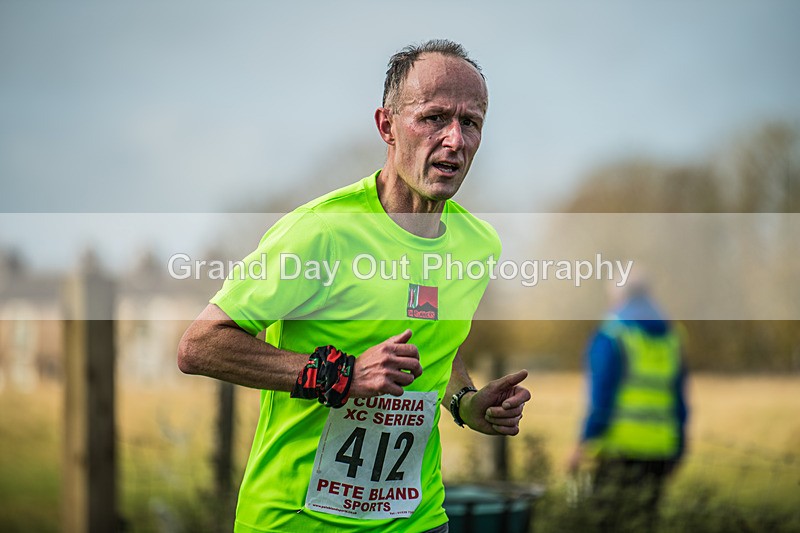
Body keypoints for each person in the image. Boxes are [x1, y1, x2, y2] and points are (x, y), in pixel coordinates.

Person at [178, 39, 530, 533]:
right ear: (386, 125)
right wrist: (339, 374)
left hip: (417, 520)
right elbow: (200, 345)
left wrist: (467, 403)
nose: (455, 139)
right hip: (297, 521)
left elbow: (438, 344)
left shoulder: (478, 244)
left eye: (470, 122)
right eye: (433, 118)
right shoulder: (322, 231)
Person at [568, 278, 688, 532]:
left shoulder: (612, 334)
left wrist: (582, 444)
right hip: (660, 448)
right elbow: (679, 398)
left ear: (618, 295)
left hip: (618, 449)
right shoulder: (672, 336)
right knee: (643, 523)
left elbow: (601, 398)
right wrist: (679, 446)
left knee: (607, 522)